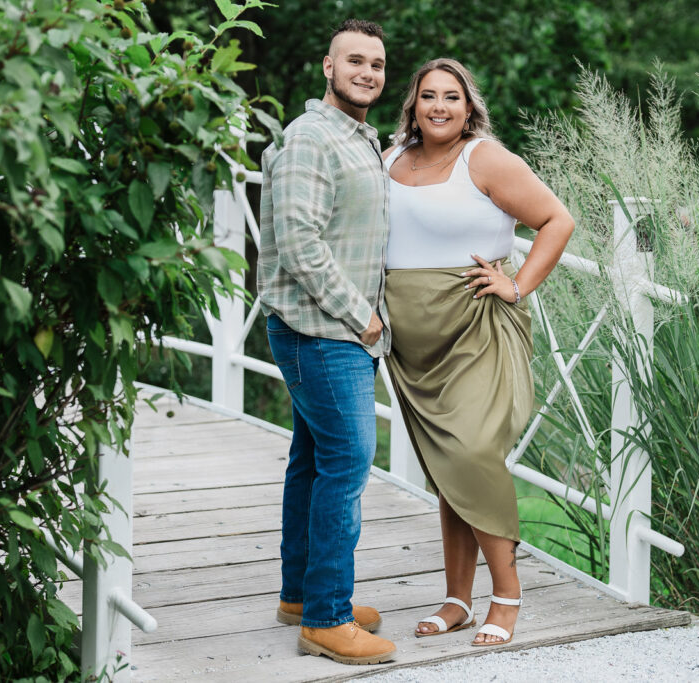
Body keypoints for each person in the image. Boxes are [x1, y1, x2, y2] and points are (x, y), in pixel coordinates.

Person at [382, 58, 574, 647]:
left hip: (477, 329)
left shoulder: (483, 157)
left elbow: (557, 220)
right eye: (428, 96)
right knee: (447, 470)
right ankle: (457, 599)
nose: (439, 106)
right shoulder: (388, 159)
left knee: (472, 456)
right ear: (412, 105)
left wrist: (517, 285)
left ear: (469, 107)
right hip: (411, 345)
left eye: (452, 97)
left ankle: (507, 594)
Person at [256, 19, 396, 666]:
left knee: (312, 460)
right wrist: (360, 315)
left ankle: (300, 594)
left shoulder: (356, 137)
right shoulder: (313, 137)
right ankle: (326, 618)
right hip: (321, 328)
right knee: (347, 462)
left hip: (331, 328)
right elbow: (297, 241)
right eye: (355, 61)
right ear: (327, 67)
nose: (367, 72)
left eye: (377, 63)